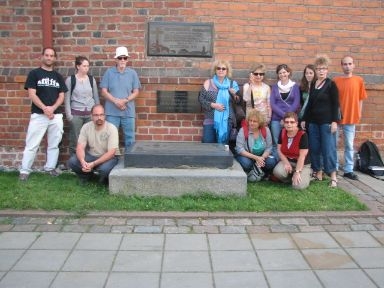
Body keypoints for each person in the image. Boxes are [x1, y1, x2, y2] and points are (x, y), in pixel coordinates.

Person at [19, 47, 68, 181]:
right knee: (32, 144)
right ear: (42, 57)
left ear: (55, 59)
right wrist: (45, 108)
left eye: (52, 56)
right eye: (47, 55)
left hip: (55, 115)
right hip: (39, 115)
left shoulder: (58, 76)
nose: (49, 58)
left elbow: (61, 96)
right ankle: (24, 170)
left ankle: (50, 168)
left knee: (54, 144)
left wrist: (52, 108)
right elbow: (31, 94)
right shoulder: (34, 74)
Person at [303, 55, 340, 187]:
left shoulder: (331, 84)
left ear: (327, 70)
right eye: (318, 69)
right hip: (313, 123)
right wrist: (304, 119)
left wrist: (335, 121)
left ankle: (333, 176)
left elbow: (336, 104)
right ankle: (318, 172)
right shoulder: (313, 84)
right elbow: (310, 104)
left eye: (323, 68)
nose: (321, 71)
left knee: (328, 149)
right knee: (314, 148)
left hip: (327, 123)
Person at [100, 46, 141, 151]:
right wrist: (116, 101)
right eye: (120, 58)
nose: (122, 60)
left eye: (125, 58)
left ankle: (130, 162)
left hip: (128, 111)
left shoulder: (132, 73)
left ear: (127, 59)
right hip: (112, 111)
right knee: (110, 139)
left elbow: (136, 92)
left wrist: (124, 100)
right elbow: (103, 91)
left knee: (130, 138)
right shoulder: (109, 73)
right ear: (115, 59)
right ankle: (111, 161)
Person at [334, 56, 368, 180]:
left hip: (351, 117)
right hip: (337, 118)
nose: (347, 66)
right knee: (334, 144)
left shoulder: (359, 80)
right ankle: (334, 167)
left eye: (349, 64)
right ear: (341, 65)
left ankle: (348, 170)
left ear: (353, 65)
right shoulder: (336, 80)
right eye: (345, 64)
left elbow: (361, 99)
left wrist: (358, 113)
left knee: (349, 144)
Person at [67, 104, 119, 185]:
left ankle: (104, 178)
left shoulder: (111, 128)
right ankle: (86, 175)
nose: (99, 118)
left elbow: (111, 153)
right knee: (72, 162)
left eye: (101, 115)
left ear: (104, 115)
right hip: (92, 156)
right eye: (96, 115)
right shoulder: (86, 127)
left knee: (104, 170)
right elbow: (80, 147)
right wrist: (83, 161)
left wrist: (93, 164)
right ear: (91, 116)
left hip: (109, 158)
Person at [198, 60, 240, 144]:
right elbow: (201, 99)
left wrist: (234, 94)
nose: (221, 70)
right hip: (210, 119)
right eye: (218, 68)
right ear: (215, 70)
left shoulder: (232, 84)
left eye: (223, 68)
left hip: (226, 120)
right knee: (208, 143)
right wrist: (213, 105)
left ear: (227, 71)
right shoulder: (208, 83)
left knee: (223, 146)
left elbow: (238, 102)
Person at [65, 56, 100, 155]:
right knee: (75, 140)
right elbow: (67, 99)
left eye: (88, 66)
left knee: (90, 139)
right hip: (76, 114)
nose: (86, 68)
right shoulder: (70, 80)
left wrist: (97, 113)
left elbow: (96, 96)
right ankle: (74, 163)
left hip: (90, 114)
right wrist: (69, 116)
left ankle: (88, 162)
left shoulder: (91, 79)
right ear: (78, 66)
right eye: (84, 66)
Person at [272, 112, 311, 190]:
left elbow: (302, 156)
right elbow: (279, 150)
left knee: (298, 187)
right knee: (277, 172)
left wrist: (297, 172)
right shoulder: (282, 132)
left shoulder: (303, 135)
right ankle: (292, 179)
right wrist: (286, 163)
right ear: (284, 123)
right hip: (288, 161)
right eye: (286, 122)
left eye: (292, 122)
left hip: (302, 164)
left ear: (296, 123)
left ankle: (306, 175)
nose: (289, 124)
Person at [235, 110, 277, 179]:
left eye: (255, 121)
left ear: (260, 122)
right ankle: (254, 171)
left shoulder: (266, 130)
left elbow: (269, 148)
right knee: (246, 164)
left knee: (271, 162)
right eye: (250, 120)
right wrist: (256, 158)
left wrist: (262, 158)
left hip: (261, 156)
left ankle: (259, 171)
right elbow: (239, 149)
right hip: (247, 156)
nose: (251, 123)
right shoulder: (243, 130)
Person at [270, 64, 300, 148]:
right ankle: (278, 158)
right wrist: (284, 116)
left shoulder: (295, 87)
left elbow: (296, 103)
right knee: (277, 141)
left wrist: (286, 118)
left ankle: (289, 157)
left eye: (284, 72)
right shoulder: (275, 87)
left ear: (288, 73)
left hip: (290, 119)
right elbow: (272, 103)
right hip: (276, 118)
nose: (282, 75)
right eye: (280, 73)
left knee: (290, 141)